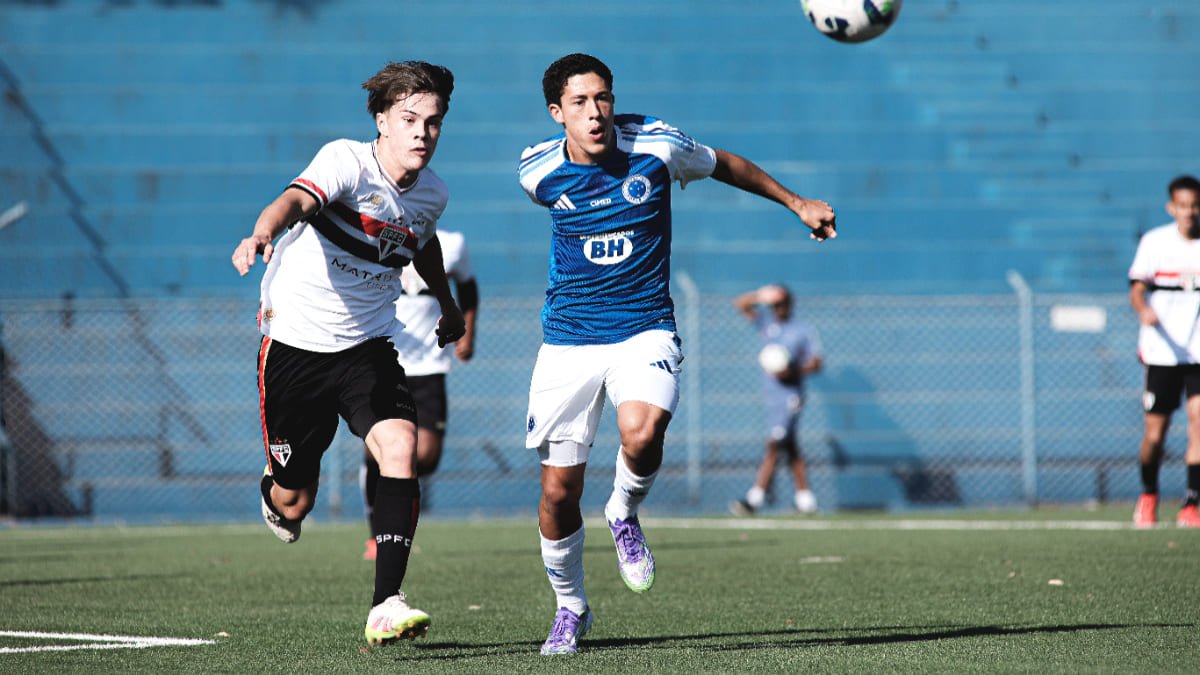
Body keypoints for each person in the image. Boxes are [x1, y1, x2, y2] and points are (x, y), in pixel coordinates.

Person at [517, 53, 837, 655]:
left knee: (643, 433)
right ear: (557, 112)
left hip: (644, 328)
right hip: (569, 339)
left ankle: (623, 511)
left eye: (603, 97)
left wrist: (797, 204)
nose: (596, 112)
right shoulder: (536, 171)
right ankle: (571, 607)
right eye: (580, 102)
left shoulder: (657, 144)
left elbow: (727, 165)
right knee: (558, 493)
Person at [230, 60, 464, 645]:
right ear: (382, 120)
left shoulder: (432, 194)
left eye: (433, 122)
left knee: (399, 444)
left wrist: (447, 304)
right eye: (409, 119)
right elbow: (293, 203)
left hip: (367, 346)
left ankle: (386, 602)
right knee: (296, 499)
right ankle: (277, 489)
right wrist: (261, 232)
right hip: (296, 346)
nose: (421, 133)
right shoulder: (345, 162)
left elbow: (422, 245)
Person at [361, 229, 478, 561]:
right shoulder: (377, 235)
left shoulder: (453, 244)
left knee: (426, 455)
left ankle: (390, 490)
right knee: (384, 451)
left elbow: (468, 288)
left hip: (431, 365)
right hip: (386, 360)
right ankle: (378, 535)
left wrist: (469, 332)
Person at [1129, 174, 1200, 529]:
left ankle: (1192, 503)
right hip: (1162, 352)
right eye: (1183, 206)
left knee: (1199, 424)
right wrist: (1143, 309)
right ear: (1172, 207)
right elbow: (1137, 289)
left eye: (1194, 206)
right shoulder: (1155, 243)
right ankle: (1148, 493)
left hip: (1198, 353)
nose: (1189, 213)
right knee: (1155, 435)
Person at [729, 283, 823, 516]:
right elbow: (740, 304)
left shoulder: (801, 330)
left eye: (782, 304)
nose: (778, 308)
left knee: (773, 444)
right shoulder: (767, 324)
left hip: (791, 396)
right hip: (772, 396)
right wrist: (762, 295)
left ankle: (755, 498)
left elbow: (816, 362)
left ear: (790, 304)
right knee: (790, 448)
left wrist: (794, 371)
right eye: (775, 305)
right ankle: (806, 500)